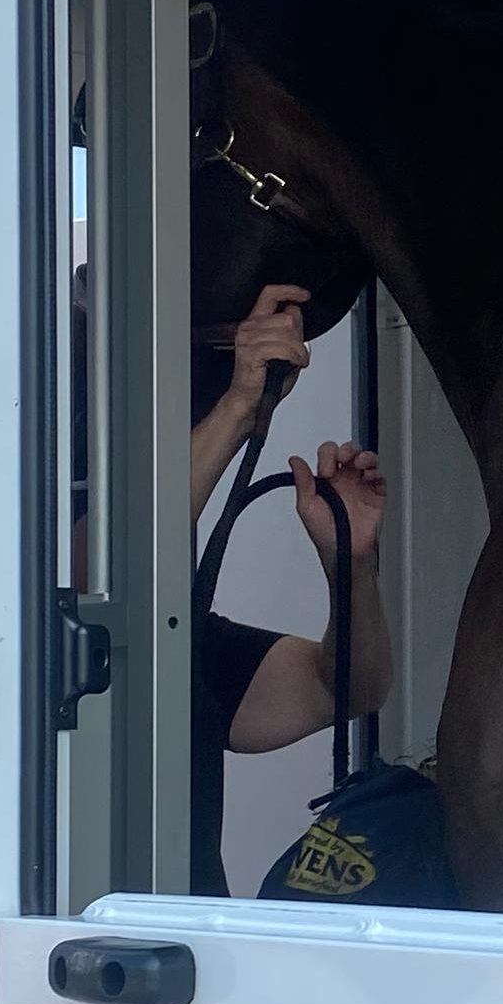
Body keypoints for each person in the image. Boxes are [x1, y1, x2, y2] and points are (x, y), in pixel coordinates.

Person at [187, 280, 392, 894]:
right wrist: (238, 408)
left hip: (197, 946)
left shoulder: (182, 647)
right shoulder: (64, 646)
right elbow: (117, 566)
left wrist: (348, 564)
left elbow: (350, 687)